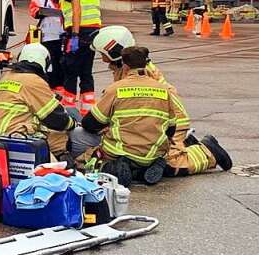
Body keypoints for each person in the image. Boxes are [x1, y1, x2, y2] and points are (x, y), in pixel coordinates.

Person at [77, 42, 231, 185]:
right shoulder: (163, 89)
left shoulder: (116, 89)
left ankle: (125, 168)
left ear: (124, 65)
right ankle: (142, 169)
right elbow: (171, 127)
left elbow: (91, 123)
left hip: (119, 149)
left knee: (87, 162)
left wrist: (108, 127)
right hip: (154, 149)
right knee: (169, 166)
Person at [0, 43, 75, 159]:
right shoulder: (33, 81)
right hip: (20, 137)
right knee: (62, 144)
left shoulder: (9, 76)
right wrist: (73, 124)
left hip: (3, 135)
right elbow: (57, 119)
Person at [56, 0, 103, 114]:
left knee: (70, 71)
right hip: (93, 33)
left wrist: (74, 35)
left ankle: (69, 112)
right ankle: (87, 111)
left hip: (78, 32)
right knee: (86, 72)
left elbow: (76, 9)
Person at [27, 0, 67, 93]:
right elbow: (33, 7)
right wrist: (39, 12)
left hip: (64, 36)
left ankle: (60, 86)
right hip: (47, 36)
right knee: (49, 62)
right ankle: (49, 85)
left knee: (62, 63)